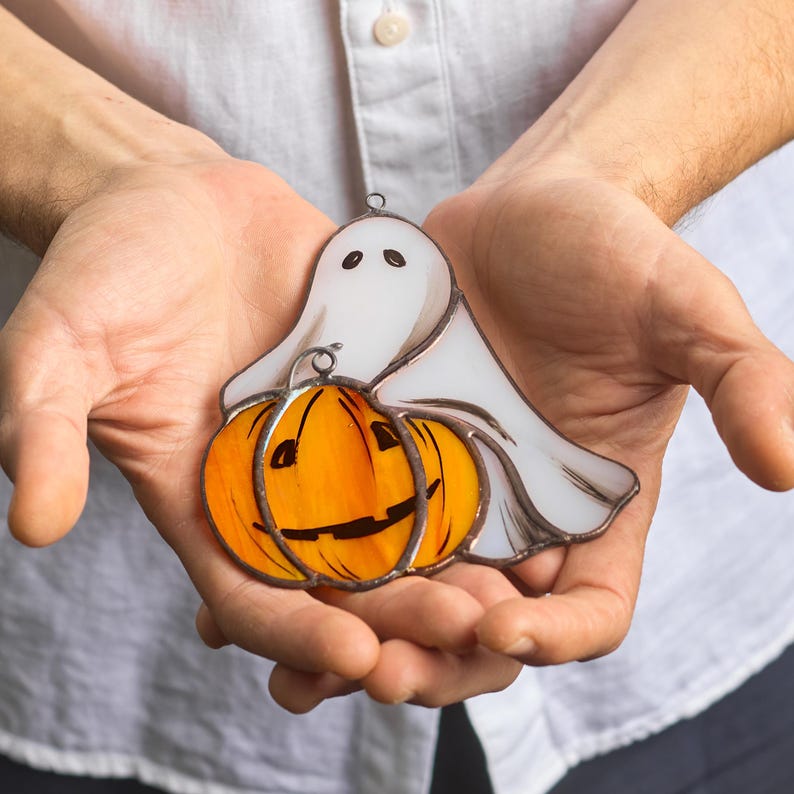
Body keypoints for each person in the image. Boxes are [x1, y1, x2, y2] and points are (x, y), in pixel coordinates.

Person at [0, 1, 793, 792]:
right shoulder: (326, 376)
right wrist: (105, 172)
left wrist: (615, 169)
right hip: (103, 654)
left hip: (711, 596)